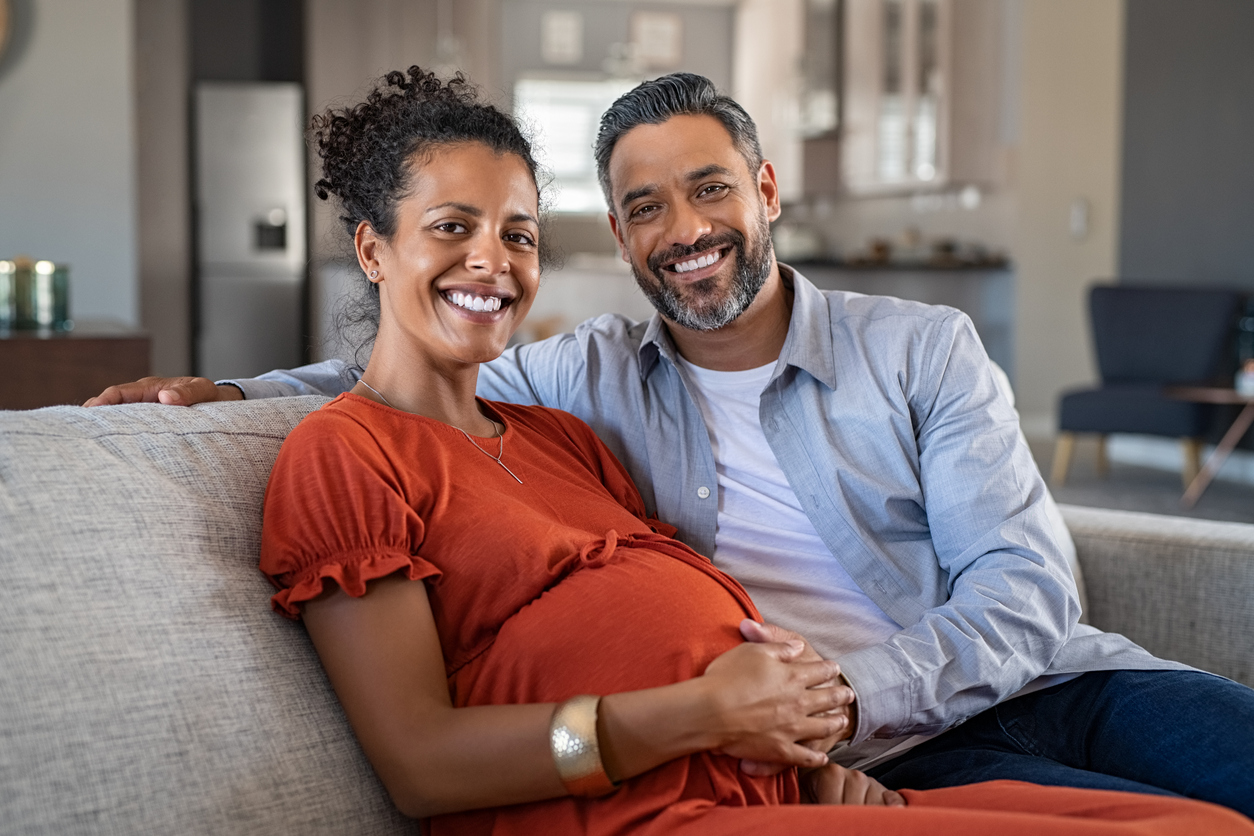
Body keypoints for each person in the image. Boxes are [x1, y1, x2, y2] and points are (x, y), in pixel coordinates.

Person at [89, 72, 1254, 819]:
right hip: (889, 764)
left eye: (709, 190)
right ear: (622, 232)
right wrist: (230, 388)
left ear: (765, 189)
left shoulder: (919, 348)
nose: (685, 230)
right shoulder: (578, 378)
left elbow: (1023, 587)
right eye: (645, 207)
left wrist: (841, 699)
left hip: (1047, 682)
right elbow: (402, 368)